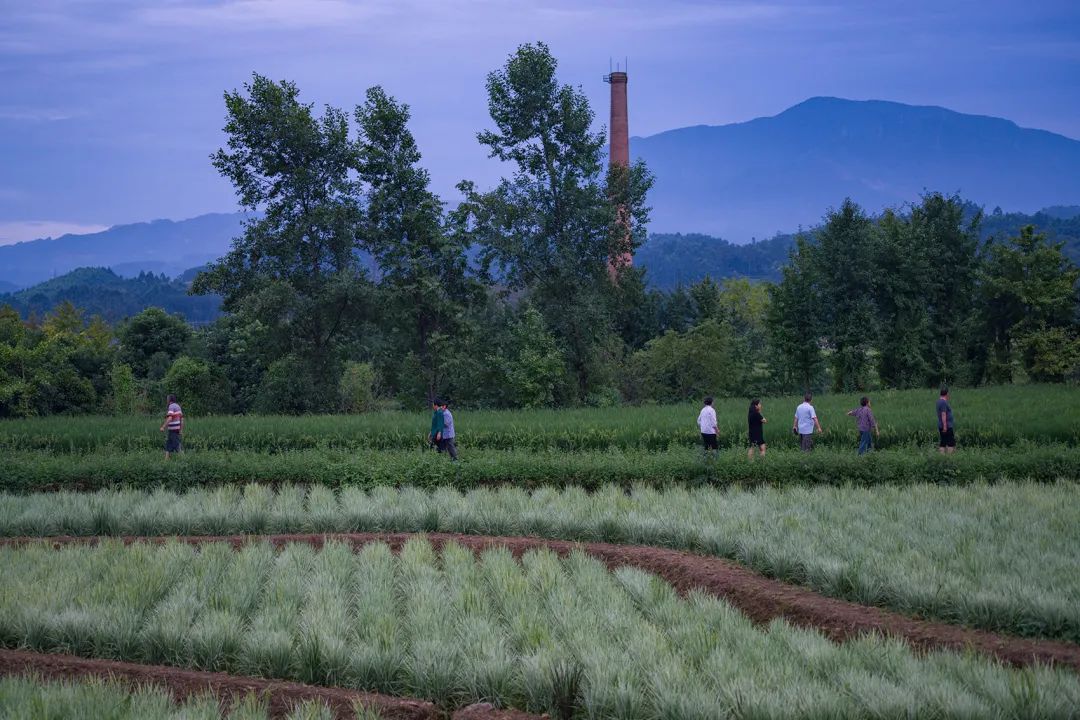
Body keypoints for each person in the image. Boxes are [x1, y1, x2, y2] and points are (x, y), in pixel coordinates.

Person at [159, 394, 183, 459]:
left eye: (167, 399)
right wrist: (181, 429)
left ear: (170, 400)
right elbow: (181, 419)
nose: (166, 400)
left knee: (176, 444)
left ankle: (183, 458)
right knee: (169, 443)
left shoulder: (171, 406)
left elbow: (170, 418)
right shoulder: (178, 406)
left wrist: (163, 427)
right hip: (176, 428)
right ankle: (166, 459)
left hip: (173, 429)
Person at [937, 387, 955, 454]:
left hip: (942, 425)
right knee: (951, 443)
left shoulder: (939, 402)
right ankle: (949, 457)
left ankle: (942, 456)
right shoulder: (943, 402)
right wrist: (945, 426)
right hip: (947, 426)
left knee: (943, 442)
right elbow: (943, 414)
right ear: (947, 394)